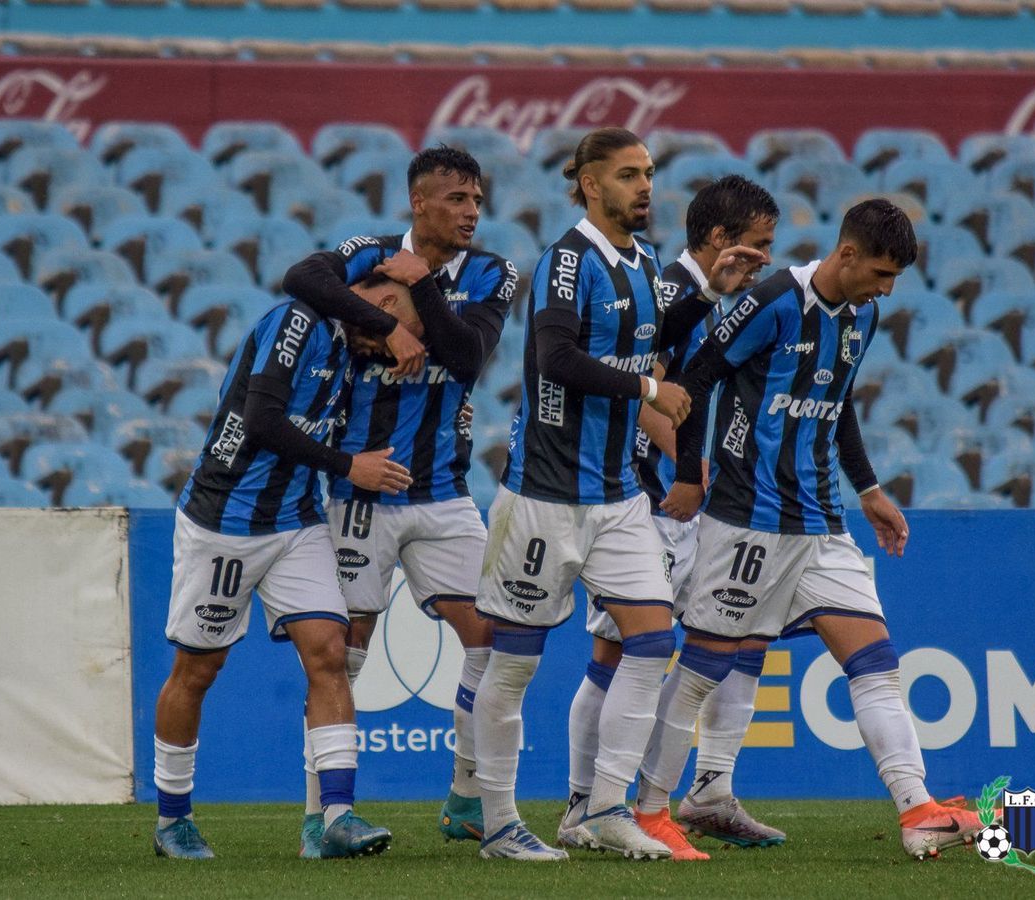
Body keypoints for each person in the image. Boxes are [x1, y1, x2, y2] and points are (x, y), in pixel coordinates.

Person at [649, 198, 985, 861]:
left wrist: (869, 489)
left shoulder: (865, 312)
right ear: (848, 254)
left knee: (875, 658)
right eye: (881, 274)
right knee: (706, 665)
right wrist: (688, 470)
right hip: (750, 516)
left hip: (820, 518)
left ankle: (918, 808)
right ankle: (650, 807)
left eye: (894, 280)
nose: (886, 289)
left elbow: (838, 401)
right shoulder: (774, 298)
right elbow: (697, 377)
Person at [471, 127, 765, 861]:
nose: (645, 187)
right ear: (590, 183)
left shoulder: (637, 261)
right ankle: (500, 823)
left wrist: (706, 287)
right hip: (544, 494)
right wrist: (649, 390)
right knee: (513, 664)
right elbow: (560, 356)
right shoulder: (566, 261)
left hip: (617, 497)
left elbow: (653, 332)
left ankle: (601, 808)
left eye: (649, 173)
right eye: (629, 175)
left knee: (652, 639)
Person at [281, 146, 516, 856]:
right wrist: (384, 322)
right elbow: (300, 277)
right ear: (419, 203)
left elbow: (467, 357)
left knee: (492, 638)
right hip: (361, 493)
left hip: (444, 493)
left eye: (476, 199)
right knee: (345, 653)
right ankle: (322, 814)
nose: (471, 211)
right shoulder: (368, 252)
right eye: (455, 199)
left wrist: (425, 291)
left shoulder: (492, 273)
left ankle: (468, 799)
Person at [152, 277, 412, 860]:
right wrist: (349, 466)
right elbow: (263, 418)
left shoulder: (351, 355)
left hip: (296, 521)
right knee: (197, 671)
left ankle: (337, 818)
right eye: (402, 332)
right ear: (382, 305)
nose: (400, 346)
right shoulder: (298, 322)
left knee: (329, 651)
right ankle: (172, 819)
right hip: (225, 519)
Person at [562, 175, 783, 861]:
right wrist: (690, 469)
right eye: (759, 244)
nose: (767, 258)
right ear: (720, 239)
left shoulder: (723, 299)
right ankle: (583, 806)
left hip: (701, 504)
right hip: (652, 500)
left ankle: (710, 788)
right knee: (621, 651)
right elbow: (646, 385)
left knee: (736, 637)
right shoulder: (666, 291)